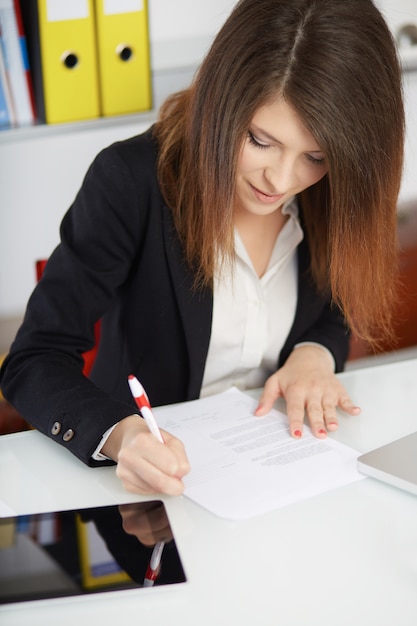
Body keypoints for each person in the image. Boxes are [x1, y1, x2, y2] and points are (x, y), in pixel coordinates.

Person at [0, 0, 404, 496]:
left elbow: (336, 304)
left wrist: (314, 353)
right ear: (223, 100)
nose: (280, 179)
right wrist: (122, 436)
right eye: (260, 140)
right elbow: (34, 359)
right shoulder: (131, 182)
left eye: (315, 156)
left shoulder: (331, 191)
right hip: (157, 488)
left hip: (289, 471)